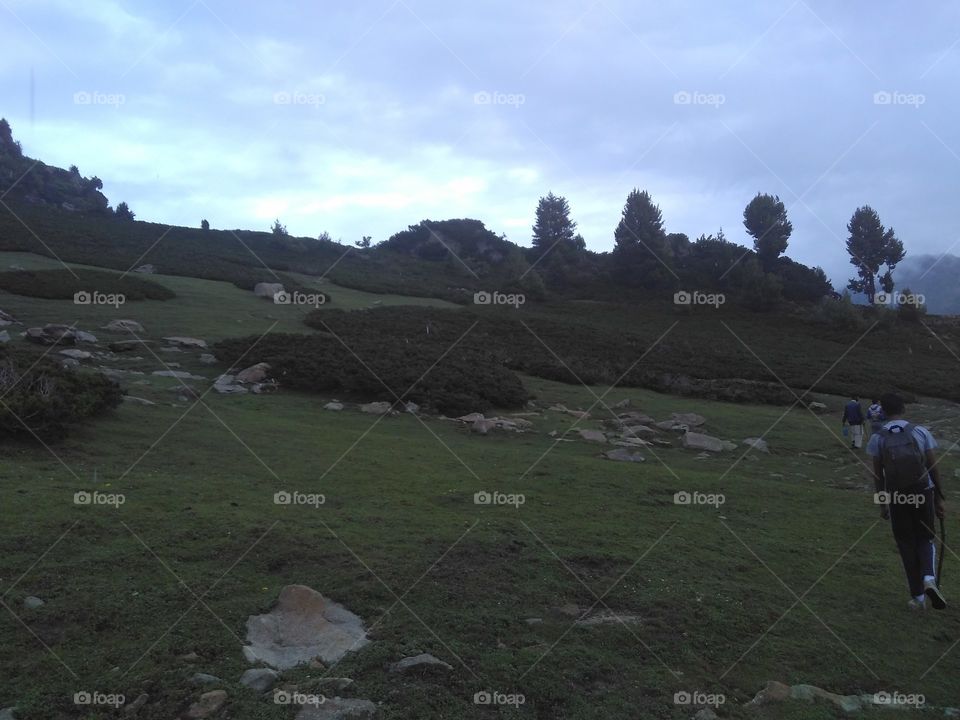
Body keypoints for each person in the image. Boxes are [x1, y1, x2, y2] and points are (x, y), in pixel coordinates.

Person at [867, 393, 946, 610]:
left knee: (905, 542)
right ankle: (929, 578)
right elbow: (933, 468)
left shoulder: (878, 438)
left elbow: (878, 476)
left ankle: (918, 597)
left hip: (896, 495)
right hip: (923, 491)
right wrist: (939, 499)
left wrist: (882, 503)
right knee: (926, 537)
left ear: (882, 411)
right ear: (903, 409)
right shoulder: (920, 431)